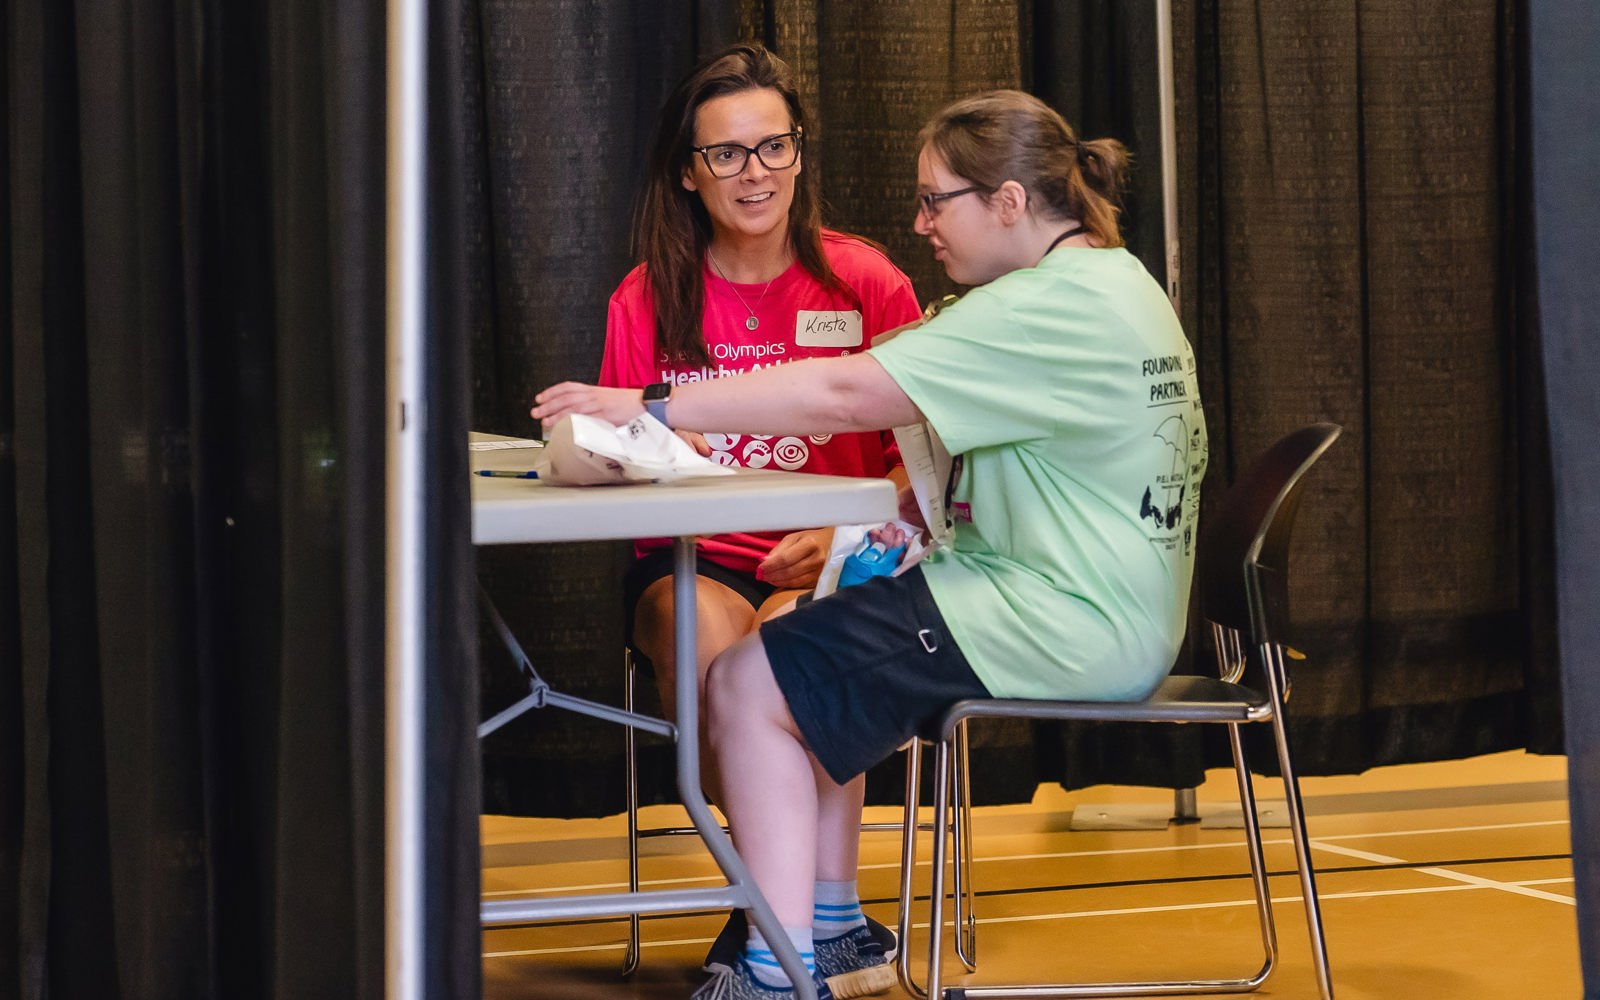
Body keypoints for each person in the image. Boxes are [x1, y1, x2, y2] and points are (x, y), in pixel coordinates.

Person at [534, 89, 1208, 999]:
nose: (922, 223)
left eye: (936, 201)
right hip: (1095, 609)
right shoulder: (1115, 282)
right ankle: (833, 927)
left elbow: (843, 395)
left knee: (747, 683)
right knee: (776, 659)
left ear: (1009, 201)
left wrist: (651, 403)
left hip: (1057, 618)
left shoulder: (1038, 308)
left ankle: (775, 970)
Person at [598, 42, 919, 986]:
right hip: (693, 555)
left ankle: (784, 930)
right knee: (700, 639)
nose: (756, 173)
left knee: (798, 646)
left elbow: (926, 461)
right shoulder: (647, 295)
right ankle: (802, 919)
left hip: (833, 554)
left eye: (774, 146)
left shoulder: (866, 283)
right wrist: (658, 451)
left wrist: (848, 536)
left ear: (799, 153)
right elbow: (618, 454)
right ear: (688, 173)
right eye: (727, 154)